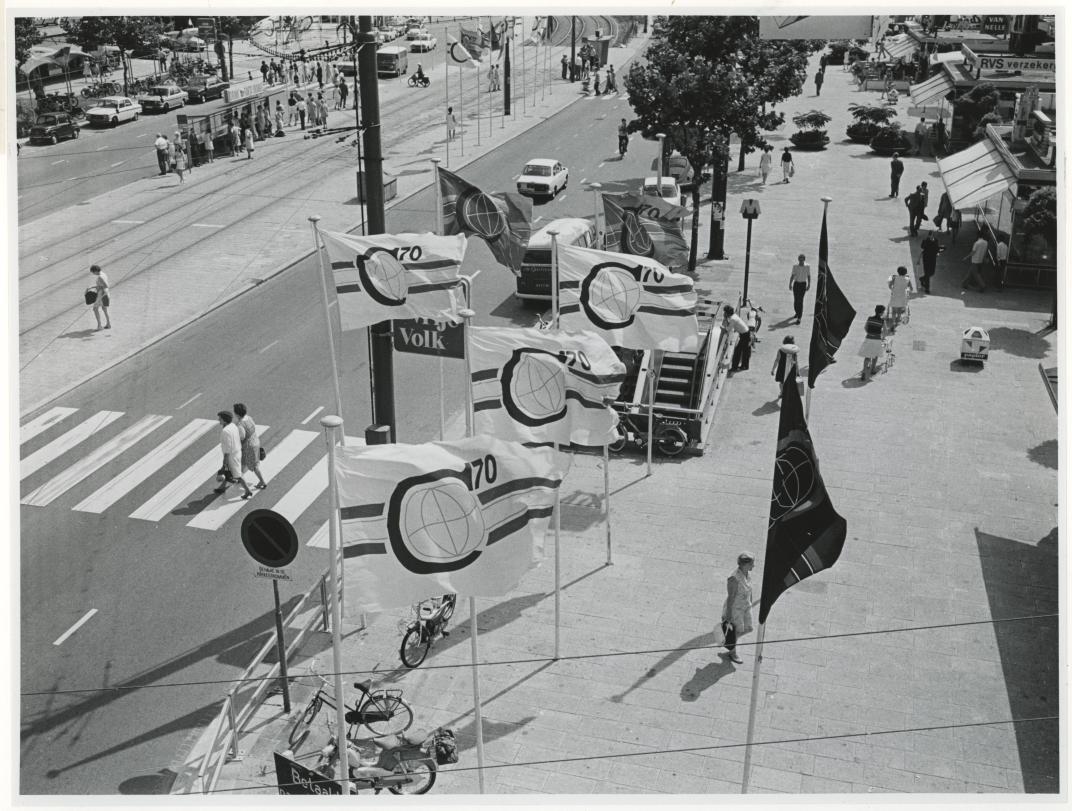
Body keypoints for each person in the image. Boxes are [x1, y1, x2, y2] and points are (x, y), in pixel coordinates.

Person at [720, 552, 755, 665]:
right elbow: (731, 597)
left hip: (746, 606)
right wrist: (729, 614)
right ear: (744, 564)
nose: (753, 566)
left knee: (748, 628)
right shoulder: (734, 578)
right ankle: (732, 652)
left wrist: (751, 602)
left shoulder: (747, 573)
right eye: (751, 564)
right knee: (736, 631)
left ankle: (729, 643)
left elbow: (749, 589)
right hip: (736, 609)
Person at [215, 411, 253, 499]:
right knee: (229, 471)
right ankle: (222, 487)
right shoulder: (232, 426)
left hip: (231, 455)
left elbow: (228, 447)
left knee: (237, 474)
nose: (218, 420)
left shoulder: (225, 431)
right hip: (236, 452)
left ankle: (248, 491)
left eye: (220, 419)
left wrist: (225, 460)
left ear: (224, 420)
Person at [234, 403, 268, 489]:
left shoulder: (240, 425)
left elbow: (241, 437)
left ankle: (262, 481)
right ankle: (239, 477)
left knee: (254, 466)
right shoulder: (249, 418)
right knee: (243, 461)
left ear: (237, 414)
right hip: (255, 441)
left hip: (248, 446)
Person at [858, 306, 886, 380]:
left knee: (867, 356)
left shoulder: (870, 318)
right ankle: (872, 369)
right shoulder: (882, 321)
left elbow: (865, 327)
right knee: (875, 355)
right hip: (877, 339)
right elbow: (885, 331)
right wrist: (882, 337)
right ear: (881, 313)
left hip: (869, 338)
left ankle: (864, 371)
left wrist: (869, 333)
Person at [723, 306, 751, 372]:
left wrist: (725, 319)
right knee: (745, 351)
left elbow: (728, 329)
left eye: (725, 312)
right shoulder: (734, 316)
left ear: (727, 313)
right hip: (745, 333)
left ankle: (734, 367)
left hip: (744, 335)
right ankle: (745, 366)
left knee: (737, 352)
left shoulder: (733, 319)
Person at [887, 266, 913, 330]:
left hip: (895, 295)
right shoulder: (908, 279)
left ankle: (893, 322)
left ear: (898, 272)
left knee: (893, 311)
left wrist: (893, 289)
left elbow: (890, 285)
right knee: (899, 311)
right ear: (906, 272)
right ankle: (897, 322)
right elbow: (911, 289)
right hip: (903, 296)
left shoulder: (894, 278)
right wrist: (907, 290)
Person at [789, 254, 811, 325]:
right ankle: (797, 312)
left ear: (804, 259)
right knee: (796, 300)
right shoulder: (795, 266)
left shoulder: (807, 266)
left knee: (800, 301)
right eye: (800, 259)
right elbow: (792, 275)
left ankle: (799, 317)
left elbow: (808, 276)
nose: (801, 261)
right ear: (798, 260)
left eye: (802, 259)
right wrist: (790, 284)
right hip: (796, 284)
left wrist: (809, 284)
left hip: (803, 284)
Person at [918, 229, 941, 293]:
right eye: (931, 235)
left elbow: (937, 248)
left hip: (933, 258)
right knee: (927, 273)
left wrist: (938, 253)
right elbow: (922, 248)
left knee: (932, 272)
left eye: (933, 235)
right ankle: (927, 289)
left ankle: (922, 279)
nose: (932, 236)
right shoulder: (925, 241)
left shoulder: (936, 240)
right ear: (929, 235)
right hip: (926, 258)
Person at [89, 264, 111, 330]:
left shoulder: (100, 277)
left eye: (93, 272)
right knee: (104, 309)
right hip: (106, 294)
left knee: (95, 309)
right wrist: (93, 287)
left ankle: (99, 326)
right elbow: (103, 285)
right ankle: (108, 324)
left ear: (95, 271)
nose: (93, 274)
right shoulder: (103, 274)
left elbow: (106, 285)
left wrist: (100, 294)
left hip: (101, 294)